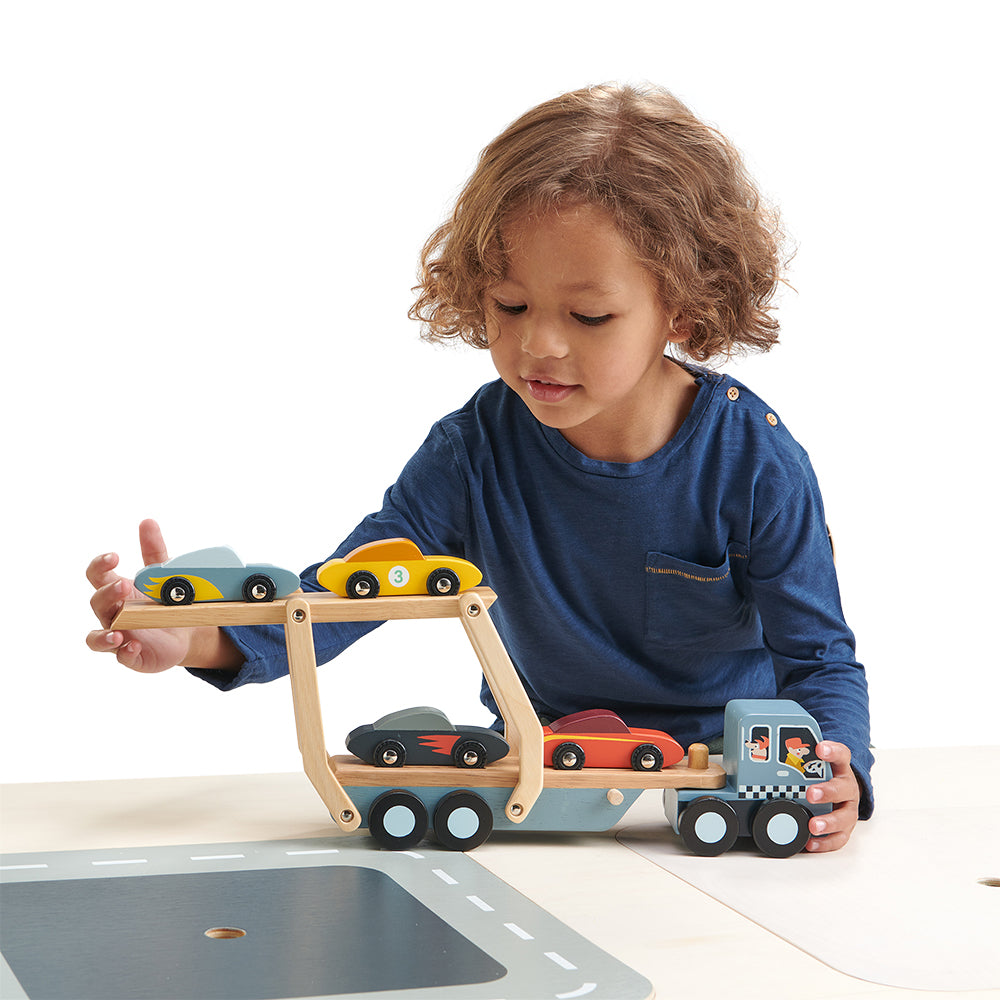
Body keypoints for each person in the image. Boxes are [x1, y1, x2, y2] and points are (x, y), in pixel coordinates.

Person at [87, 83, 873, 851]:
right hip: (538, 791)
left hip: (710, 787)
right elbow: (346, 593)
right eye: (510, 304)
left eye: (589, 316)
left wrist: (840, 769)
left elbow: (819, 655)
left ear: (684, 306)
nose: (539, 346)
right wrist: (195, 639)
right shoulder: (473, 450)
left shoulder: (755, 459)